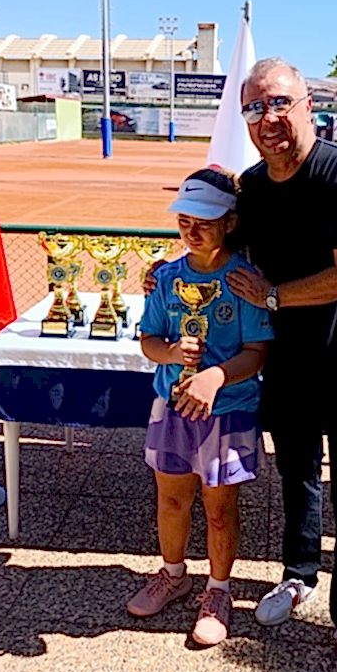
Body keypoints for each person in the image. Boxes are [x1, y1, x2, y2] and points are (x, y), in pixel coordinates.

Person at [228, 57, 337, 672]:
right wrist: (175, 271)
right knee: (297, 478)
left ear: (307, 106)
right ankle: (298, 576)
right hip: (289, 363)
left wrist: (272, 296)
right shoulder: (251, 186)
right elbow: (226, 251)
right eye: (254, 107)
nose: (268, 118)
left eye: (279, 103)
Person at [127, 166, 272, 647]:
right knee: (171, 500)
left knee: (219, 508)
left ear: (230, 222)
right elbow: (149, 339)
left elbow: (256, 353)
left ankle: (218, 590)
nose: (192, 231)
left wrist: (215, 375)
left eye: (205, 222)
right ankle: (173, 574)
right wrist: (170, 353)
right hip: (172, 407)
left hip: (227, 410)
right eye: (184, 221)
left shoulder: (245, 281)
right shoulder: (167, 278)